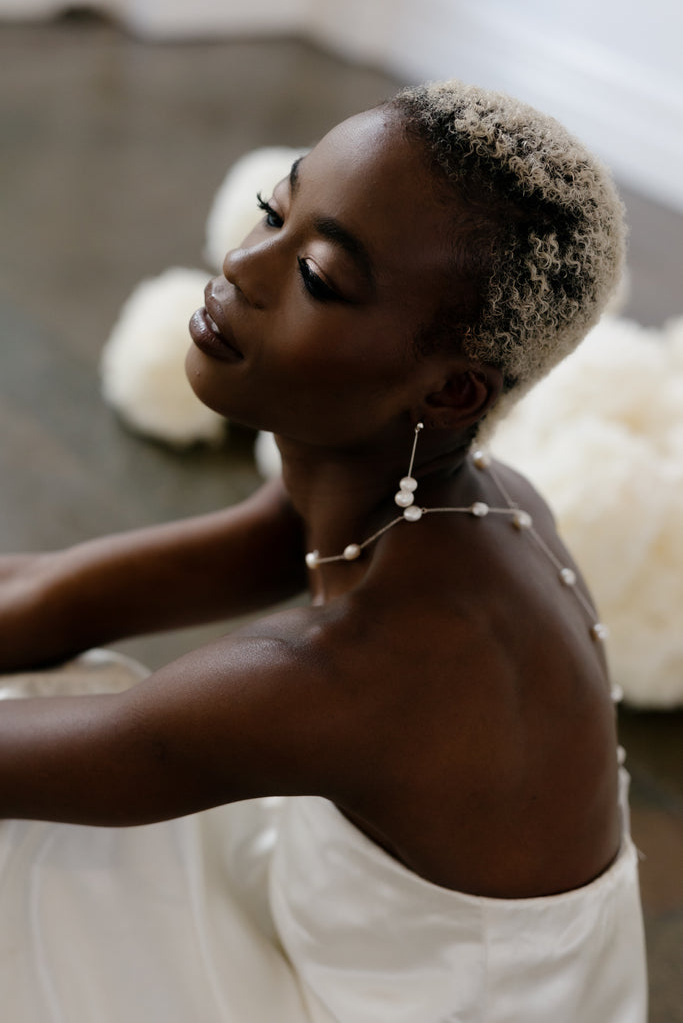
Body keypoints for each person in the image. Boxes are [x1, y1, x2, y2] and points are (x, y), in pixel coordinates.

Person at [0, 80, 646, 1021]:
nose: (241, 264)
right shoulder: (413, 495)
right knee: (59, 683)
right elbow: (59, 598)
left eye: (317, 279)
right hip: (392, 938)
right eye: (276, 208)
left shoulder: (357, 676)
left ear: (451, 391)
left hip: (401, 1004)